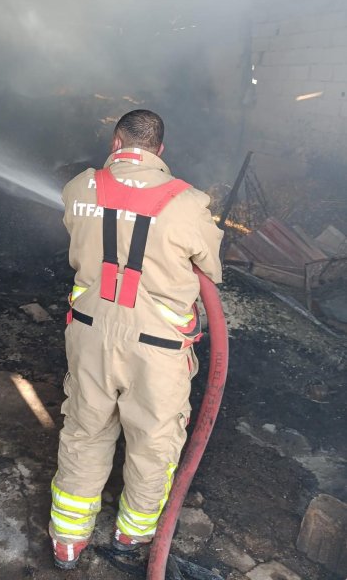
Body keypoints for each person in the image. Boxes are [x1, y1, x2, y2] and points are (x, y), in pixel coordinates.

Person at [49, 109, 223, 570]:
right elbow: (213, 269)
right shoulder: (189, 203)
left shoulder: (80, 187)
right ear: (160, 151)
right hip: (158, 348)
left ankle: (67, 541)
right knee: (154, 442)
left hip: (90, 336)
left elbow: (82, 231)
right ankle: (132, 537)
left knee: (85, 431)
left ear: (115, 141)